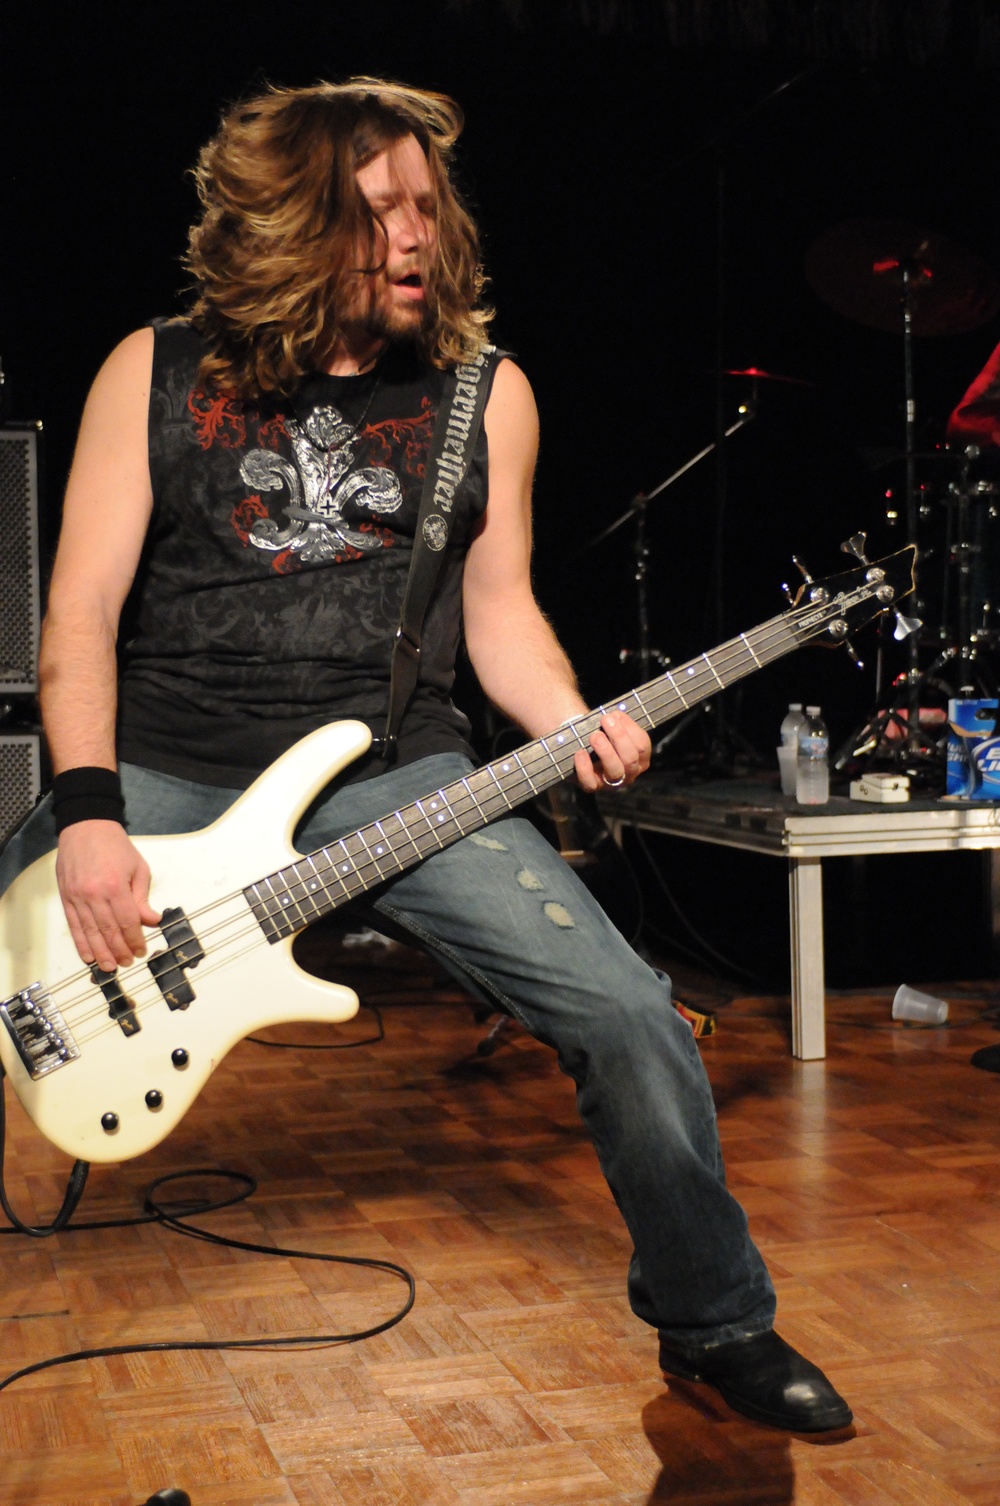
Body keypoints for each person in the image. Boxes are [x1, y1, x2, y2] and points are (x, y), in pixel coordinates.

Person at [0, 78, 851, 1432]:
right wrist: (92, 815)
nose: (417, 232)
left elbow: (499, 609)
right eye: (379, 207)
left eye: (426, 202)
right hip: (165, 768)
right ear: (294, 222)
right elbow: (79, 618)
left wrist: (571, 717)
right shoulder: (153, 371)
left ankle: (715, 1323)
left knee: (631, 1014)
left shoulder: (482, 394)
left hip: (395, 771)